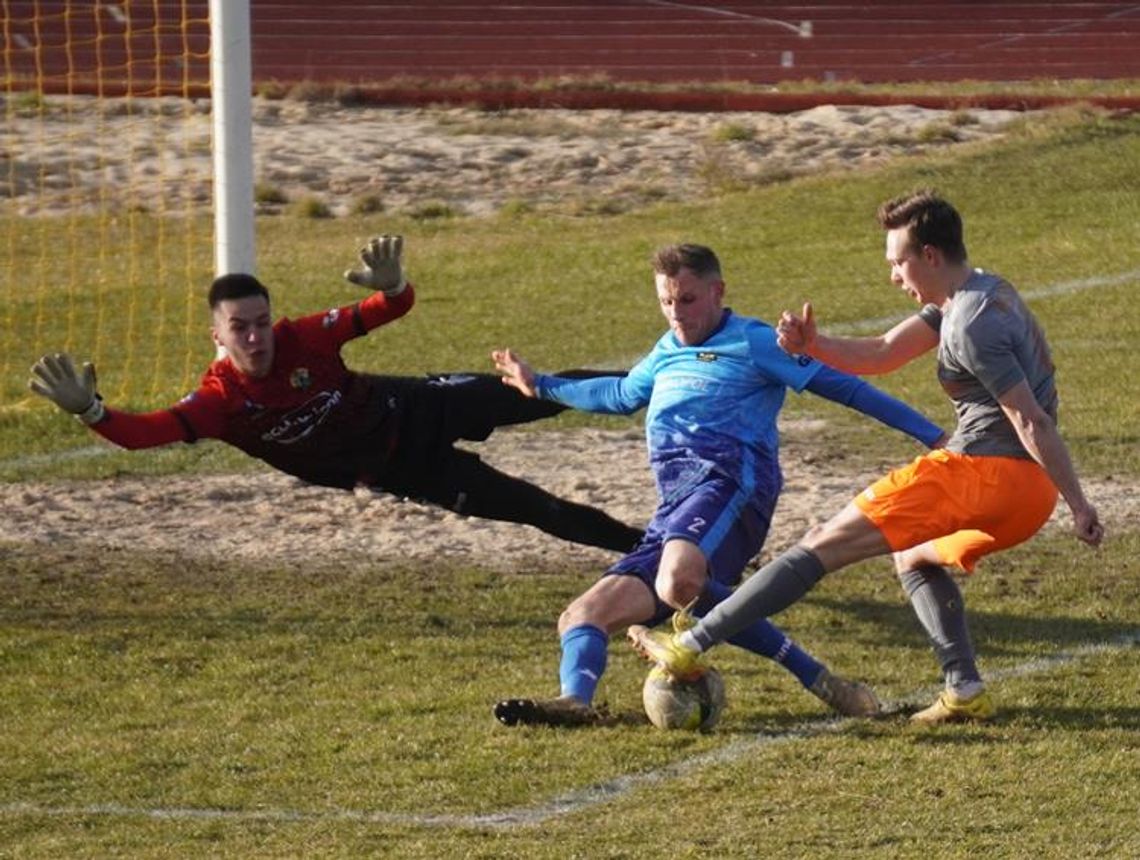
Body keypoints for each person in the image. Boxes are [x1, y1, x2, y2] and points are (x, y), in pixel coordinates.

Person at [628, 191, 1104, 724]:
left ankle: (691, 642)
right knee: (915, 556)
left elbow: (1030, 420)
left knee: (819, 545)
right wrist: (813, 344)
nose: (894, 276)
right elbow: (882, 352)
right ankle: (964, 689)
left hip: (985, 474)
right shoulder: (981, 293)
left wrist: (1080, 505)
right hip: (1025, 492)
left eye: (898, 262)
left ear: (928, 256)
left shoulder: (969, 323)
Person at [490, 241, 947, 727]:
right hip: (675, 508)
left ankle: (802, 672)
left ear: (717, 291)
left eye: (686, 299)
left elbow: (849, 388)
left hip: (731, 484)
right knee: (582, 615)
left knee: (678, 581)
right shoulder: (666, 351)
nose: (676, 313)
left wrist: (935, 436)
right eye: (666, 301)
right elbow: (620, 393)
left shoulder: (752, 341)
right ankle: (575, 702)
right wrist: (540, 385)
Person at [27, 235, 642, 553]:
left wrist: (394, 283)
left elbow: (389, 307)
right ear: (216, 334)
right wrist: (90, 409)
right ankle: (660, 560)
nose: (256, 334)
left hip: (418, 405)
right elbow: (140, 435)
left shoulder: (303, 339)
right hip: (408, 469)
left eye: (261, 320)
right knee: (542, 511)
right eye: (239, 326)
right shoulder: (218, 404)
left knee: (543, 389)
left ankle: (666, 380)